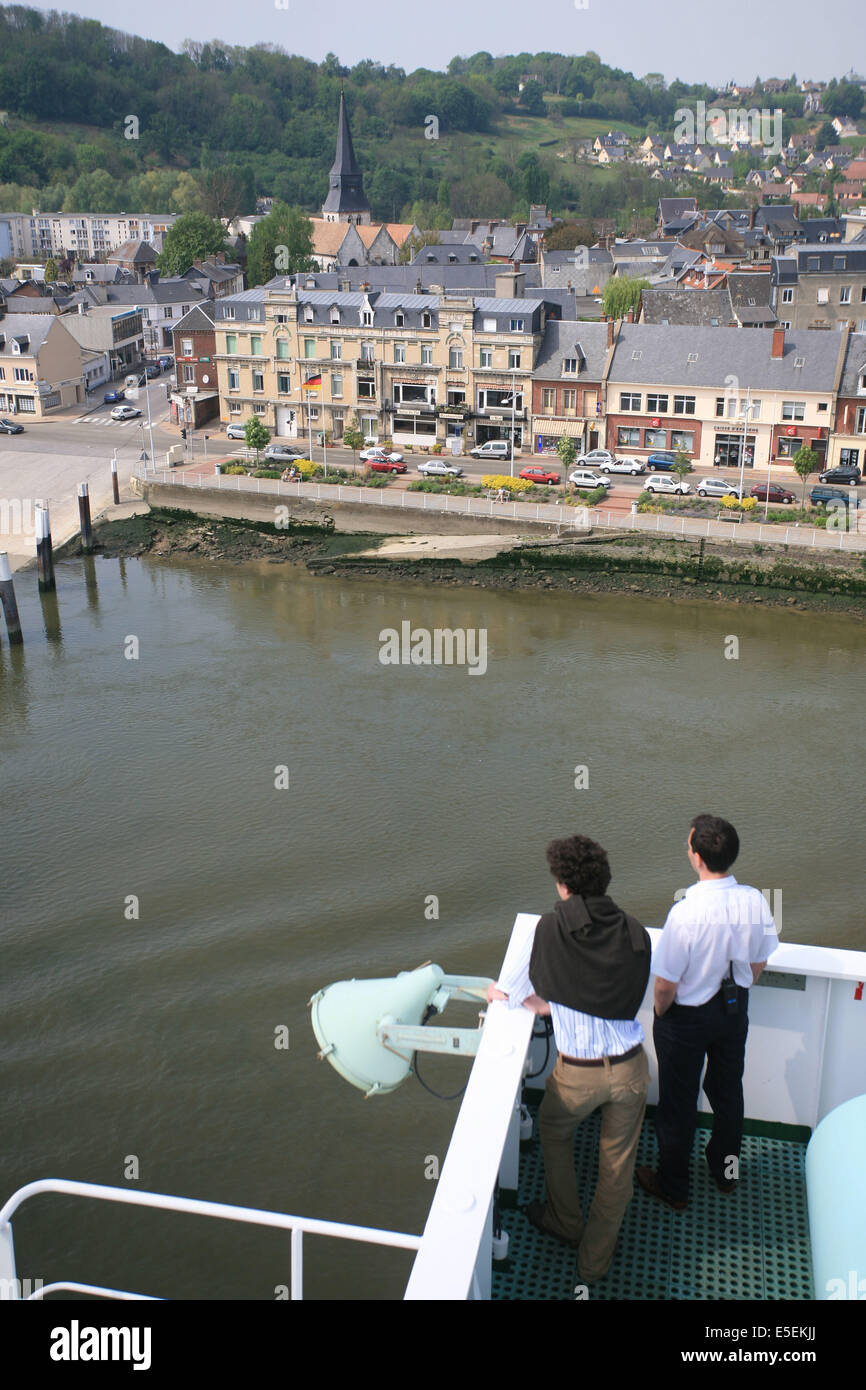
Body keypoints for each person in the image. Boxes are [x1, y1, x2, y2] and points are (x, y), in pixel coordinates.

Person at [487, 835, 651, 1284]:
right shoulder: (635, 931)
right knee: (616, 1167)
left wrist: (529, 1000)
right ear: (604, 880)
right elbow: (613, 992)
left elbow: (510, 993)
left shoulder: (548, 928)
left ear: (562, 885)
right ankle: (593, 1267)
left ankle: (565, 1221)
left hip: (577, 1076)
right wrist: (558, 1003)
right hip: (633, 1067)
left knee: (554, 1133)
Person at [637, 814, 778, 1212]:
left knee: (679, 1103)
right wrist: (741, 986)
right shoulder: (753, 899)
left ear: (697, 858)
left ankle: (674, 1187)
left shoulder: (684, 913)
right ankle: (726, 1175)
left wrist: (662, 1014)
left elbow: (665, 984)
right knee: (728, 1092)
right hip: (733, 1009)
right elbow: (760, 959)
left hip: (686, 1018)